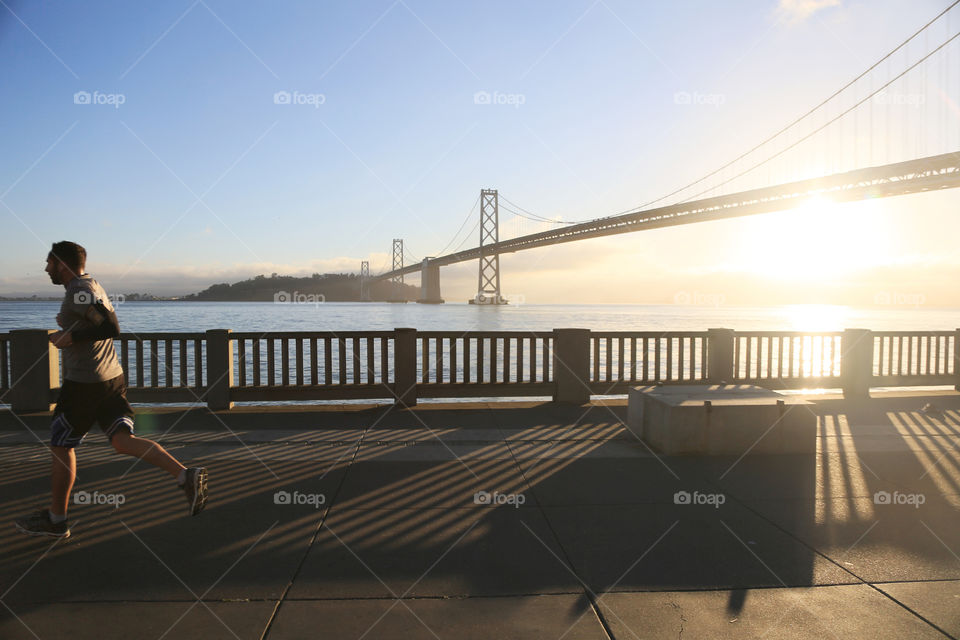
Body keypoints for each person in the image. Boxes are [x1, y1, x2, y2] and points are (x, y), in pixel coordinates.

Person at [15, 241, 208, 539]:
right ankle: (185, 475)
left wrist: (71, 336)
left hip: (85, 383)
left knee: (61, 446)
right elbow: (98, 322)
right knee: (121, 441)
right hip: (110, 378)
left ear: (62, 264)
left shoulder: (80, 289)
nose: (45, 268)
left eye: (49, 262)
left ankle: (57, 519)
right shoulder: (90, 286)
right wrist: (71, 330)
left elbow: (111, 327)